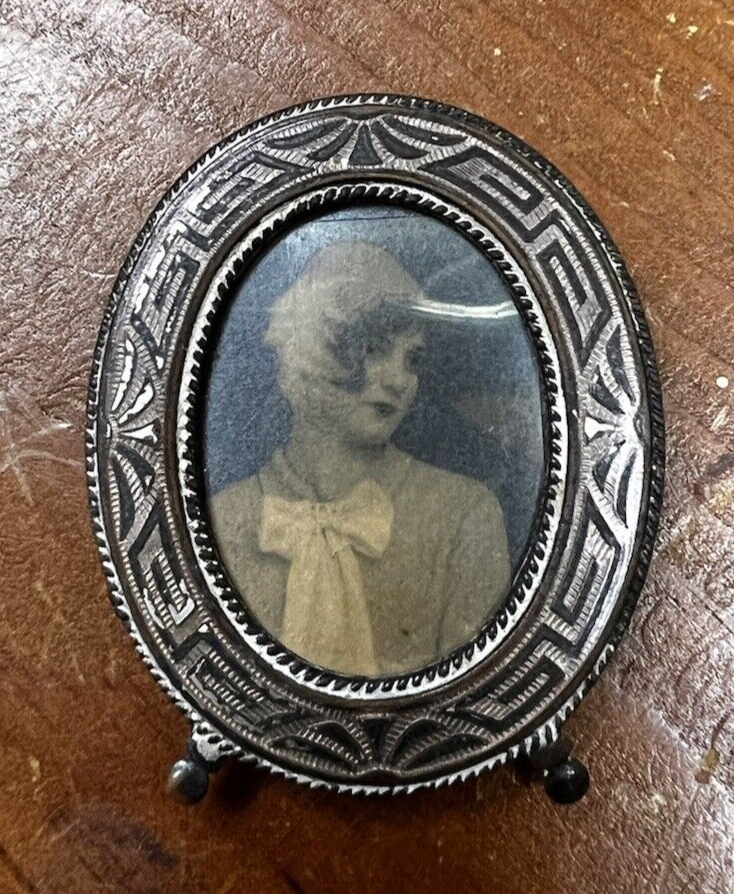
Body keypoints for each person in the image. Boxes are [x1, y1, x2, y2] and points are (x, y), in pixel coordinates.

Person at [209, 240, 510, 676]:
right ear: (310, 344)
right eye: (375, 349)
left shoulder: (465, 514)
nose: (400, 380)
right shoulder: (226, 519)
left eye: (413, 359)